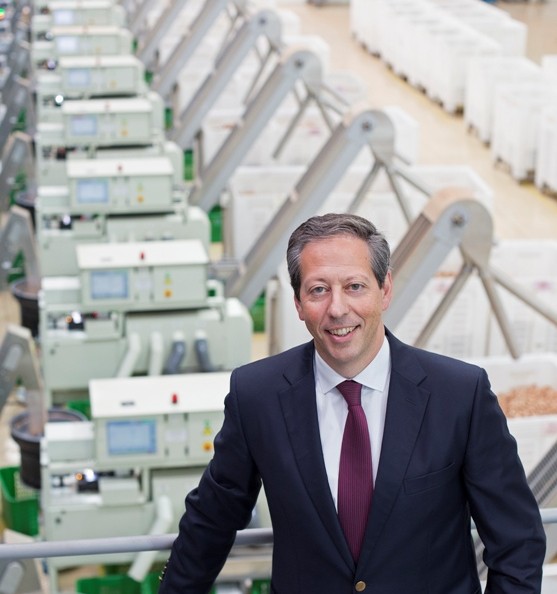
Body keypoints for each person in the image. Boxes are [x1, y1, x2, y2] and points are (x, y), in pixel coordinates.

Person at [159, 212, 546, 594]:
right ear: (298, 303)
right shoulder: (256, 396)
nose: (338, 308)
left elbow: (517, 540)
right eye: (318, 290)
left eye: (355, 286)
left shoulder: (459, 395)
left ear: (385, 289)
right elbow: (211, 521)